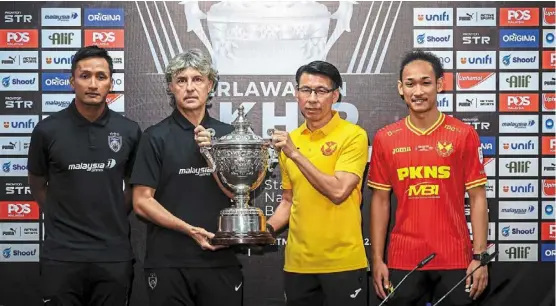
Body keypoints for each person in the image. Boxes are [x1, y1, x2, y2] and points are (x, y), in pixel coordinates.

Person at [368, 50, 489, 306]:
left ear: (440, 85)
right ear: (401, 88)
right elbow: (380, 201)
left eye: (426, 82)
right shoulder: (385, 138)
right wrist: (377, 260)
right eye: (410, 84)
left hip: (456, 258)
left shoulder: (463, 134)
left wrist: (480, 257)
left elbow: (478, 199)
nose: (418, 91)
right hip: (403, 259)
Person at [27, 46, 142, 305]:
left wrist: (110, 213)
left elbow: (135, 189)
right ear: (72, 81)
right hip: (61, 256)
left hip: (113, 254)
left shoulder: (129, 131)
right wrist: (61, 214)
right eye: (85, 75)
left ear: (111, 82)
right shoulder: (47, 130)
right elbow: (37, 183)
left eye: (101, 77)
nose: (93, 84)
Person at [130, 49, 243, 306]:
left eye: (197, 79)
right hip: (168, 262)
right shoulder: (154, 137)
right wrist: (189, 230)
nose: (190, 88)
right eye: (181, 80)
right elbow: (141, 202)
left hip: (220, 259)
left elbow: (237, 195)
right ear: (171, 87)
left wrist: (212, 153)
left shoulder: (229, 137)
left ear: (210, 85)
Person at [265, 61, 370, 306]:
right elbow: (288, 202)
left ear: (335, 95)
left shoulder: (353, 135)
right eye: (305, 90)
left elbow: (338, 191)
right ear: (296, 93)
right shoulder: (290, 142)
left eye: (321, 91)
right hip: (298, 265)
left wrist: (296, 154)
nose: (312, 98)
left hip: (342, 262)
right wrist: (265, 231)